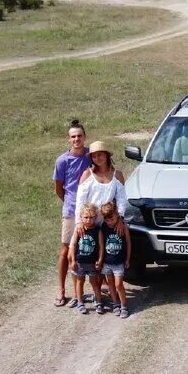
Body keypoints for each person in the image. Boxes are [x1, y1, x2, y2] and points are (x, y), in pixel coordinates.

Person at [74, 141, 129, 305]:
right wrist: (79, 222)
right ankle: (97, 296)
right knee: (90, 258)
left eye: (100, 154)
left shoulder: (117, 175)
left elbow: (122, 199)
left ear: (107, 155)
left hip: (108, 223)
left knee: (105, 257)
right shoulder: (87, 175)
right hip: (89, 222)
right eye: (94, 155)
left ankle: (110, 294)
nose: (97, 158)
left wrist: (120, 219)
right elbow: (80, 200)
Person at [53, 119, 91, 307]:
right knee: (66, 250)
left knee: (92, 247)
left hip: (90, 211)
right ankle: (61, 290)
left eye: (79, 136)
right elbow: (59, 188)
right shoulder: (62, 161)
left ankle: (92, 290)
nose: (77, 139)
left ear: (85, 138)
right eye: (73, 137)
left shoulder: (92, 155)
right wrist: (70, 204)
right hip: (70, 210)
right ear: (68, 139)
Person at [67, 203, 106, 315]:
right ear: (81, 217)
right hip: (80, 262)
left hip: (92, 263)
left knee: (94, 282)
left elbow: (101, 247)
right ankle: (80, 302)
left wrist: (100, 260)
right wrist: (73, 260)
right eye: (86, 217)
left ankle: (98, 302)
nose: (89, 220)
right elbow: (73, 245)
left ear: (96, 217)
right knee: (80, 282)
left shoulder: (98, 230)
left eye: (92, 217)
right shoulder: (78, 230)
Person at [99, 201, 132, 318]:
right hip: (107, 262)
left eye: (112, 219)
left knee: (119, 284)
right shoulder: (103, 227)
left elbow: (128, 243)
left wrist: (127, 259)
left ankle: (124, 306)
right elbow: (101, 245)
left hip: (119, 262)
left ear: (117, 215)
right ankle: (116, 304)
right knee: (111, 284)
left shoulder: (123, 227)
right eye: (107, 220)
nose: (109, 222)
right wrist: (100, 260)